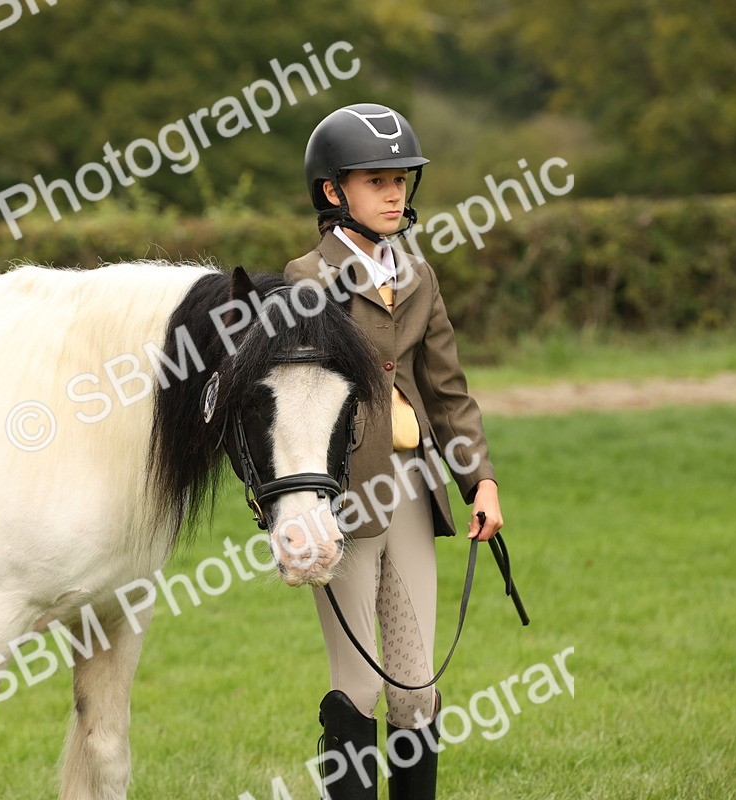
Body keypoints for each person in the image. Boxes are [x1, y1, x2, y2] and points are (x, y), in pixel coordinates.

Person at [284, 103, 504, 800]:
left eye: (402, 180)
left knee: (416, 686)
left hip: (412, 492)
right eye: (376, 179)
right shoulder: (306, 280)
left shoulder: (418, 276)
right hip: (343, 499)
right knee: (360, 684)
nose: (393, 193)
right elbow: (296, 403)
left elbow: (448, 392)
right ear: (332, 192)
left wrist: (482, 482)